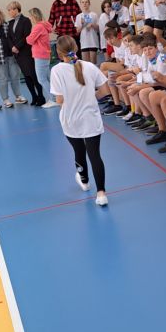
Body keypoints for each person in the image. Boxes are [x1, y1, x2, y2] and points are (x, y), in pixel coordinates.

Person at [50, 35, 109, 207]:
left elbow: (59, 100)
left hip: (70, 119)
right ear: (76, 48)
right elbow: (105, 91)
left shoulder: (56, 71)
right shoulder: (89, 66)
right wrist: (91, 97)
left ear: (59, 53)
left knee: (78, 150)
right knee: (95, 155)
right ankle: (101, 194)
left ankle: (84, 180)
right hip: (91, 118)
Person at [6, 1, 44, 106]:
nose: (9, 12)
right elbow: (8, 37)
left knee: (33, 75)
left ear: (16, 9)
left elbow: (26, 36)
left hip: (26, 52)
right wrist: (12, 47)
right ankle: (34, 97)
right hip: (17, 54)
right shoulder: (10, 23)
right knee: (26, 76)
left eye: (10, 10)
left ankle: (41, 97)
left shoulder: (26, 20)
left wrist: (17, 47)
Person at [26, 7, 58, 108]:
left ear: (34, 16)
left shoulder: (38, 27)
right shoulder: (45, 25)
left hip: (40, 55)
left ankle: (53, 99)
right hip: (45, 54)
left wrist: (27, 37)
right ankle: (55, 97)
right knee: (47, 78)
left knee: (41, 79)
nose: (29, 18)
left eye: (30, 16)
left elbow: (29, 40)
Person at [74, 0, 101, 65]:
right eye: (83, 2)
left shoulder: (94, 15)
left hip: (93, 41)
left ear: (89, 4)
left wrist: (92, 24)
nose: (84, 4)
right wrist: (82, 24)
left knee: (93, 63)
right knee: (86, 64)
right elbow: (77, 31)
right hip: (84, 42)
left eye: (86, 2)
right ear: (80, 4)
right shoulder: (78, 16)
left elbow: (98, 28)